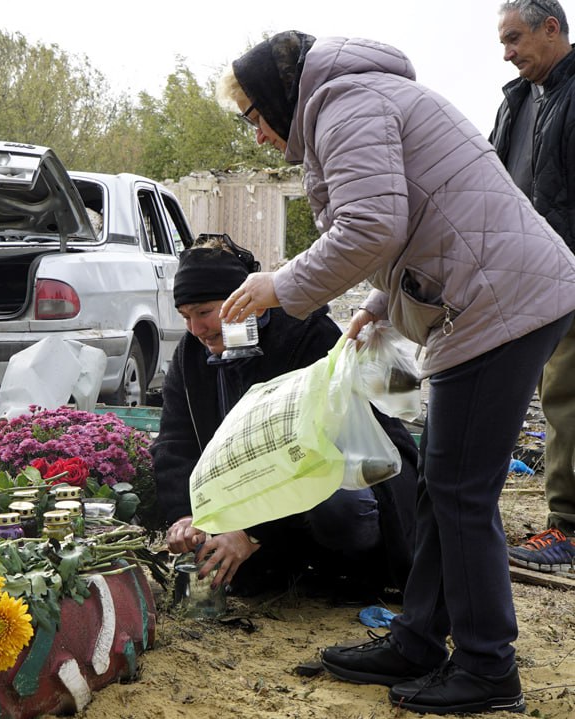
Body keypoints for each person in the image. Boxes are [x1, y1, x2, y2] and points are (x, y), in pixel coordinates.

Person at [218, 31, 575, 715]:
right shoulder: (352, 102)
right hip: (492, 296)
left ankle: (487, 665)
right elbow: (418, 218)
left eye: (254, 118)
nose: (258, 136)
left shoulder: (345, 104)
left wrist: (282, 284)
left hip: (504, 302)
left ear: (275, 97)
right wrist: (381, 303)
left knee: (460, 492)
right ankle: (418, 637)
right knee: (442, 487)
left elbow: (372, 225)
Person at [154, 237, 418, 602]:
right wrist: (184, 515)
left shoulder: (306, 335)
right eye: (186, 317)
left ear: (243, 301)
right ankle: (283, 563)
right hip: (262, 497)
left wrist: (252, 533)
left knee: (339, 509)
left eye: (204, 312)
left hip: (338, 476)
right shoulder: (190, 356)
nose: (196, 329)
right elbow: (175, 440)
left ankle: (351, 569)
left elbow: (308, 455)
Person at [490, 0, 575, 572]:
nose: (508, 52)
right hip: (528, 279)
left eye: (515, 38)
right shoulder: (516, 102)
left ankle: (567, 528)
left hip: (568, 272)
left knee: (566, 394)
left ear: (553, 28)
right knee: (547, 393)